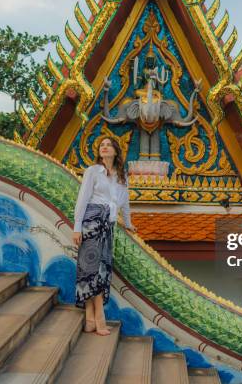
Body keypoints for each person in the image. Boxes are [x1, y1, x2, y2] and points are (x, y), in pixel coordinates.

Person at [72, 136, 137, 336]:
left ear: (116, 151)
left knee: (101, 269)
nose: (105, 147)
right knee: (91, 269)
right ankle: (100, 318)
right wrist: (77, 227)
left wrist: (128, 223)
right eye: (102, 145)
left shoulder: (121, 176)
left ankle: (90, 318)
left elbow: (124, 203)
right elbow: (82, 199)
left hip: (108, 224)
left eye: (109, 145)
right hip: (91, 221)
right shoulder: (93, 171)